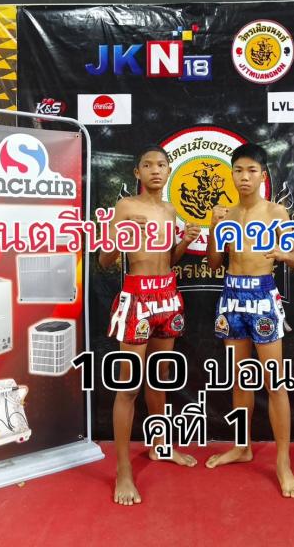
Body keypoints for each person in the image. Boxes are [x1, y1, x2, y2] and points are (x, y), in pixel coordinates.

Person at [99, 145, 201, 506]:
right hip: (138, 297)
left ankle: (160, 445)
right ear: (137, 173)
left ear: (169, 171)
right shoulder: (126, 207)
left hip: (168, 296)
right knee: (128, 386)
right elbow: (105, 260)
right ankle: (124, 470)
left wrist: (184, 242)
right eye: (148, 164)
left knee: (160, 378)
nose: (155, 170)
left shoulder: (170, 210)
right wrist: (121, 235)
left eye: (161, 164)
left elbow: (168, 259)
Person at [204, 143, 294, 498]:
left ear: (262, 175)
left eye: (251, 171)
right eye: (238, 170)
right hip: (231, 295)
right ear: (231, 175)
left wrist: (283, 253)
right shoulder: (226, 214)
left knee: (274, 382)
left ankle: (283, 463)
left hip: (262, 296)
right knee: (240, 379)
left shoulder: (277, 212)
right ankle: (241, 447)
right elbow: (214, 264)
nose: (244, 177)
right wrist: (214, 229)